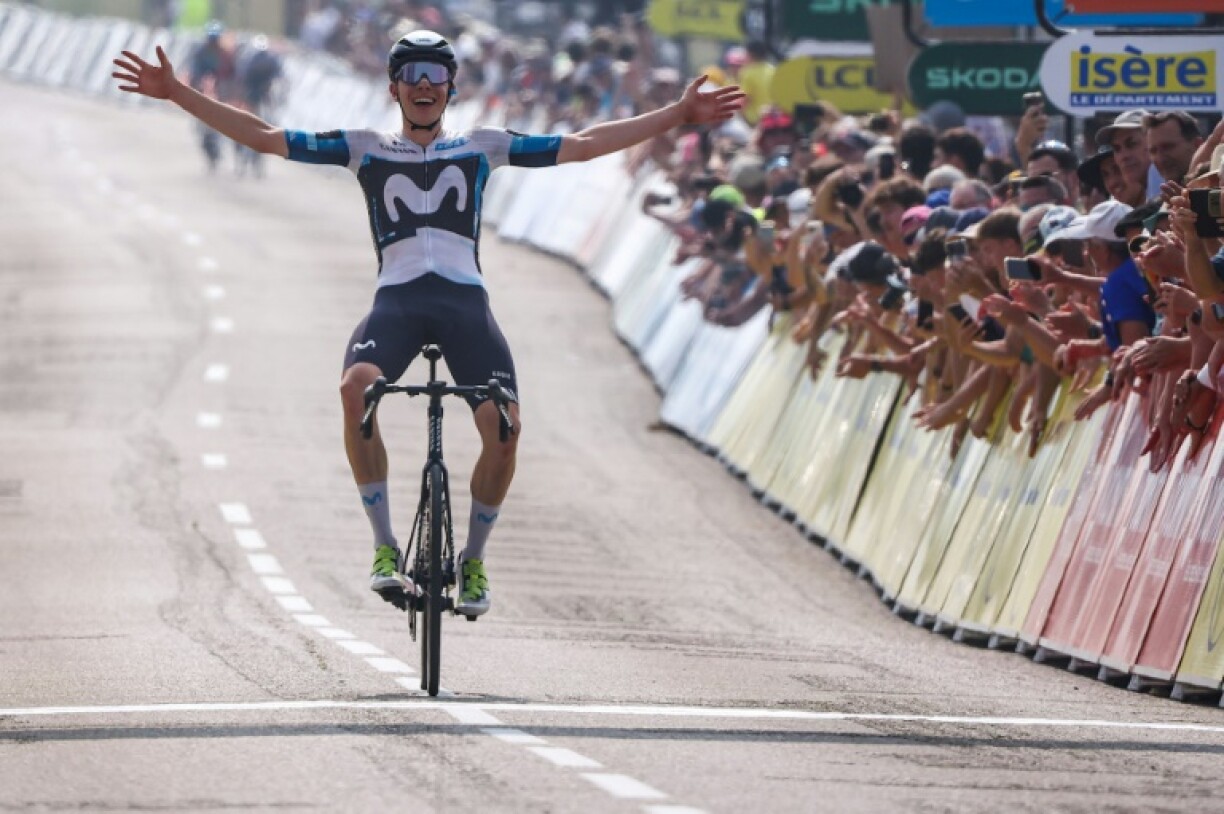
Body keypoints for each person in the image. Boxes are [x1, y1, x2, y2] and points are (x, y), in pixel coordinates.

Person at [112, 32, 744, 616]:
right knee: (354, 388)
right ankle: (385, 546)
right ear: (393, 89)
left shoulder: (483, 146)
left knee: (505, 431)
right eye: (411, 74)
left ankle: (472, 561)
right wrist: (178, 94)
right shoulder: (363, 146)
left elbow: (581, 146)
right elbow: (266, 136)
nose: (424, 83)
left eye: (436, 74)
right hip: (398, 303)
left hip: (467, 306)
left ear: (451, 87)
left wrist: (676, 116)